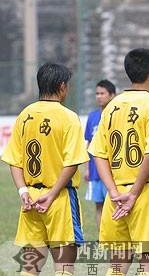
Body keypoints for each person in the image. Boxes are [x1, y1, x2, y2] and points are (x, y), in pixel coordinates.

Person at [88, 48, 149, 275]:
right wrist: (133, 193)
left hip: (115, 198)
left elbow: (98, 153)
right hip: (144, 193)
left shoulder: (111, 107)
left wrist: (113, 192)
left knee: (117, 267)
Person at [2, 62, 89, 276]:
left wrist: (23, 191)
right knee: (64, 268)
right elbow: (72, 162)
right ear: (62, 86)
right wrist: (51, 195)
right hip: (58, 198)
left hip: (30, 200)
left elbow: (15, 159)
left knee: (30, 268)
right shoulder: (68, 117)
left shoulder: (25, 115)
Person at [84, 79, 116, 230]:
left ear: (112, 95)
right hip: (95, 170)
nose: (99, 96)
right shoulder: (92, 117)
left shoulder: (116, 116)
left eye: (102, 93)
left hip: (112, 170)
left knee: (114, 203)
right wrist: (87, 168)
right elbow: (89, 143)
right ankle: (102, 237)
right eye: (97, 93)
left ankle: (114, 237)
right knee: (99, 205)